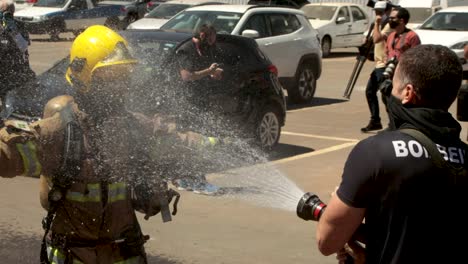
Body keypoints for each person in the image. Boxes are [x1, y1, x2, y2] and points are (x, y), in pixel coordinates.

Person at [0, 25, 223, 263]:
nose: (121, 87)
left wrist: (221, 147)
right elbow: (7, 155)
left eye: (124, 76)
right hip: (74, 256)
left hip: (125, 254)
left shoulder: (134, 127)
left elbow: (181, 141)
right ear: (83, 78)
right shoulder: (59, 133)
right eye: (111, 78)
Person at [316, 44, 468, 263]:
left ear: (408, 93)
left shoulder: (375, 152)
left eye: (392, 85)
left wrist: (334, 211)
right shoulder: (464, 157)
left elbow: (327, 242)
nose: (387, 92)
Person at [172, 24, 225, 195]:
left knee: (198, 142)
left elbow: (200, 73)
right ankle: (192, 180)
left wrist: (213, 74)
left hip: (200, 104)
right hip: (186, 105)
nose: (212, 44)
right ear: (202, 35)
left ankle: (190, 179)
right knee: (192, 142)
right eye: (210, 39)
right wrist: (208, 70)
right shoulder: (186, 50)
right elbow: (186, 76)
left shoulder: (204, 50)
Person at [361, 0, 394, 132]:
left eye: (380, 12)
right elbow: (371, 39)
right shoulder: (378, 24)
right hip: (379, 63)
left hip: (385, 64)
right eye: (376, 12)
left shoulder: (388, 24)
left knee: (386, 95)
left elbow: (377, 39)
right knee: (370, 91)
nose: (378, 15)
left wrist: (377, 23)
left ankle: (393, 123)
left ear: (386, 11)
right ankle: (375, 120)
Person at [0, 0, 35, 100]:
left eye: (8, 12)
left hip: (17, 70)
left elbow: (23, 46)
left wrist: (12, 29)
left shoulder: (18, 26)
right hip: (2, 71)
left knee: (15, 102)